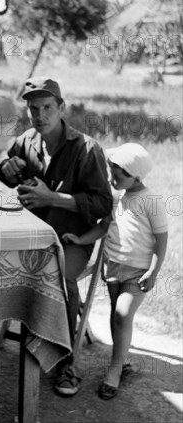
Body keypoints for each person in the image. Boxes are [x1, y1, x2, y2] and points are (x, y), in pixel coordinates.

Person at [0, 77, 113, 397]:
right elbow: (8, 171)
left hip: (70, 238)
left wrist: (54, 200)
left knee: (61, 280)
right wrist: (5, 169)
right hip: (31, 236)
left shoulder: (86, 148)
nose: (39, 115)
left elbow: (104, 204)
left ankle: (66, 361)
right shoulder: (26, 141)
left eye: (47, 107)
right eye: (33, 108)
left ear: (61, 108)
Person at [66, 143, 168, 400]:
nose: (112, 179)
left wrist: (154, 272)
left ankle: (114, 371)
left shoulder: (150, 201)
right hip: (113, 266)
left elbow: (161, 240)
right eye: (111, 173)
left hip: (138, 270)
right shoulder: (116, 196)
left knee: (123, 315)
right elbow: (104, 227)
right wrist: (80, 240)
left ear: (136, 175)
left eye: (118, 175)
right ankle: (121, 360)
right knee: (115, 314)